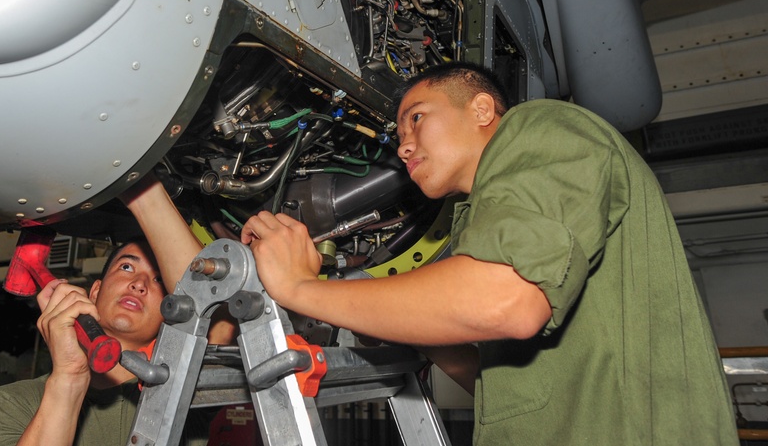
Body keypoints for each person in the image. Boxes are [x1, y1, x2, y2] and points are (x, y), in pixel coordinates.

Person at [241, 62, 739, 445]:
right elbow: (503, 388)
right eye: (400, 136)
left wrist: (300, 287)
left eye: (417, 118)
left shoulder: (545, 127)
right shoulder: (482, 215)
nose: (404, 147)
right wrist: (407, 327)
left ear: (481, 109)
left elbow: (506, 302)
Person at [0, 174, 231, 446]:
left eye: (158, 279)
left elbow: (215, 315)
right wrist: (70, 376)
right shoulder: (13, 403)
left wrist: (142, 190)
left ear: (173, 309)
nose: (139, 283)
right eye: (127, 267)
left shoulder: (182, 394)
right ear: (95, 291)